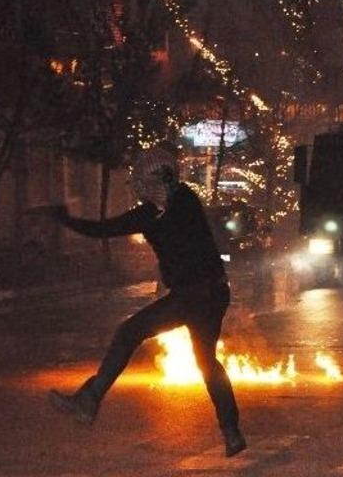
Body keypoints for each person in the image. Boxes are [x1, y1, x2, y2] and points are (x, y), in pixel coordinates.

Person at [46, 148, 246, 457]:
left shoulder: (184, 200)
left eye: (148, 180)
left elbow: (175, 209)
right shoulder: (148, 214)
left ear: (163, 179)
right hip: (199, 295)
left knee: (130, 333)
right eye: (141, 181)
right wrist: (67, 220)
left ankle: (90, 399)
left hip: (203, 293)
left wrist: (166, 187)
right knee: (205, 361)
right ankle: (232, 433)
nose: (142, 187)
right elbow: (104, 229)